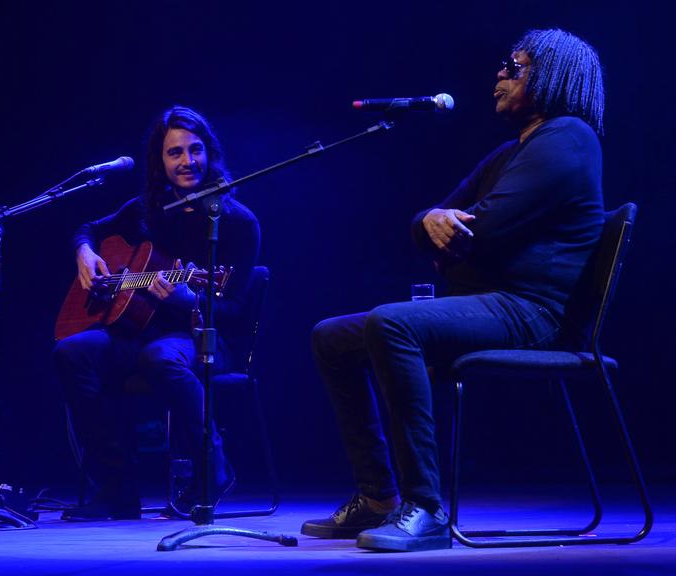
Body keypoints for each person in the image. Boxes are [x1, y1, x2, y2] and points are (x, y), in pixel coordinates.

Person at [301, 28, 606, 551]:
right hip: (486, 303)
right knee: (331, 336)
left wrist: (447, 232)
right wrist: (433, 220)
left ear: (552, 76)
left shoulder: (569, 138)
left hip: (536, 313)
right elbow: (430, 220)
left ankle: (425, 507)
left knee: (392, 322)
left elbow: (477, 233)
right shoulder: (509, 153)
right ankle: (378, 498)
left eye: (515, 65)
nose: (500, 74)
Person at [54, 106, 261, 521]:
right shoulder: (148, 210)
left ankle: (213, 471)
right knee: (72, 352)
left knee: (161, 356)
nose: (187, 161)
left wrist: (189, 301)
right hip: (134, 333)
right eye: (175, 153)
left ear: (210, 153)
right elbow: (88, 228)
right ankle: (116, 489)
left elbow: (236, 312)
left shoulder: (237, 222)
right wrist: (85, 252)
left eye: (195, 149)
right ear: (159, 161)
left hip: (202, 339)